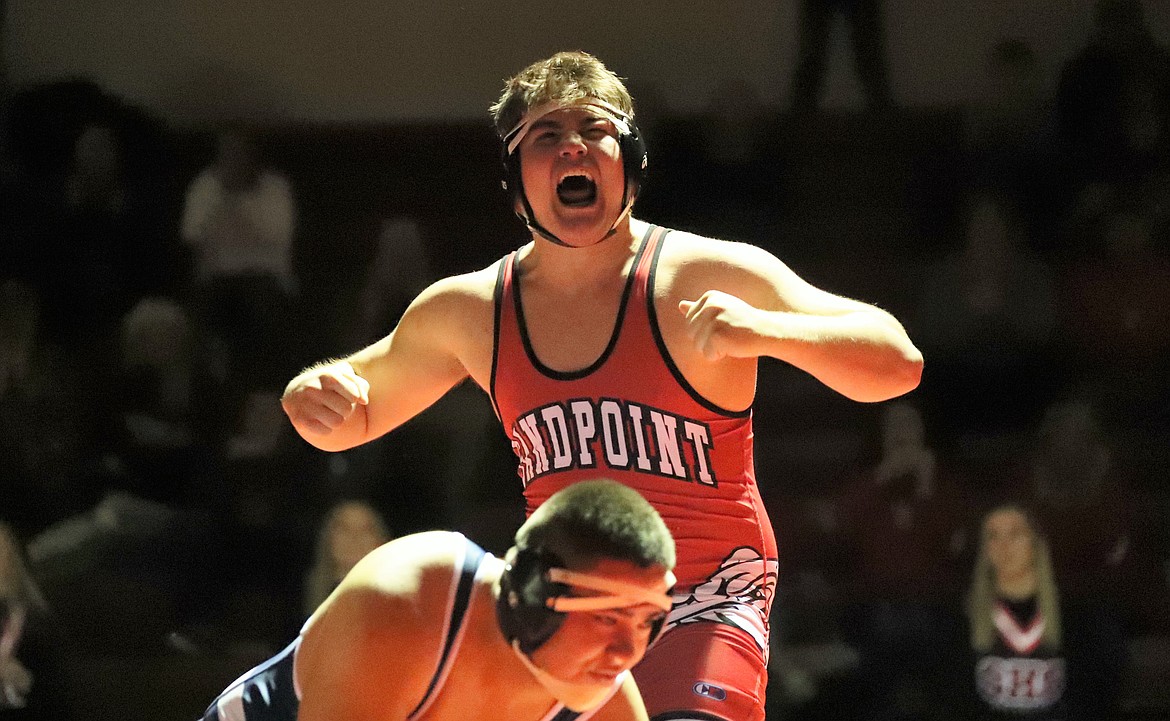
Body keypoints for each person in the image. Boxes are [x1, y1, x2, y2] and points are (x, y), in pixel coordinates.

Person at [280, 50, 923, 721]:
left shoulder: (702, 275)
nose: (572, 149)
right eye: (546, 136)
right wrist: (312, 397)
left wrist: (766, 331)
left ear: (633, 163)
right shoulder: (470, 310)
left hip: (702, 598)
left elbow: (898, 362)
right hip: (565, 607)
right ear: (513, 175)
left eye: (594, 130)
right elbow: (348, 407)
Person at [198, 479, 676, 721]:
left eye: (645, 622)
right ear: (533, 597)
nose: (624, 654)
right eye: (609, 618)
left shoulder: (606, 700)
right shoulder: (406, 604)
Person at [961, 503, 1125, 720]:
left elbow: (1097, 696)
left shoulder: (1079, 618)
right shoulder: (963, 617)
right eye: (993, 536)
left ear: (1036, 542)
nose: (1003, 545)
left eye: (1015, 533)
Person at [300, 499, 391, 618]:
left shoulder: (398, 607)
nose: (354, 538)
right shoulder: (301, 602)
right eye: (344, 529)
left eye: (365, 530)